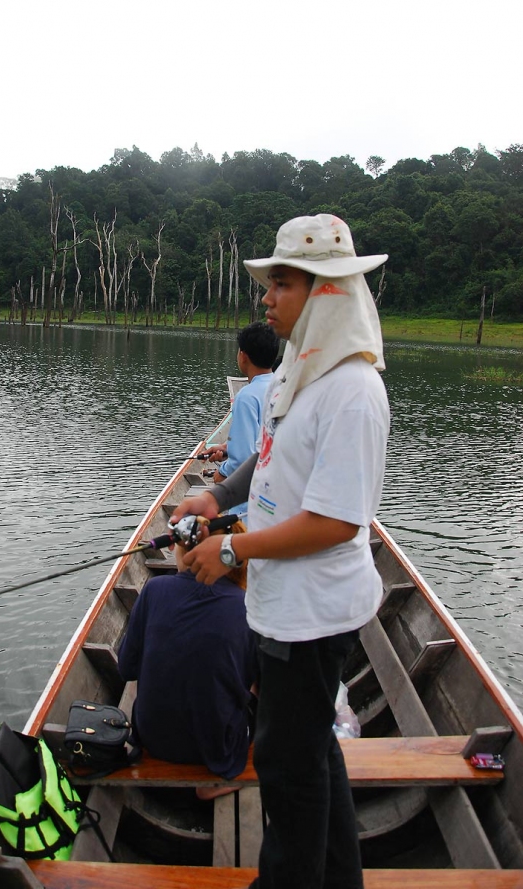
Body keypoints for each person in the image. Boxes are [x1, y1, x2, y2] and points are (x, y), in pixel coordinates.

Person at [171, 214, 390, 889]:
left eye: (281, 283)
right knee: (311, 755)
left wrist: (232, 554)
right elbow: (264, 463)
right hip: (280, 601)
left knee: (288, 779)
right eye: (268, 284)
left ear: (326, 292)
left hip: (312, 614)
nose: (266, 299)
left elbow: (334, 524)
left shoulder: (351, 391)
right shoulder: (301, 366)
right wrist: (214, 501)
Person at [117, 535, 257, 789]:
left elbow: (125, 668)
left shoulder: (153, 590)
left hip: (152, 739)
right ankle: (220, 782)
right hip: (219, 749)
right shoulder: (248, 605)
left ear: (183, 552)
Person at [204, 322, 279, 521]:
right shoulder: (282, 387)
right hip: (274, 493)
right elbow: (265, 442)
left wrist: (222, 473)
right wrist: (227, 448)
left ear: (243, 356)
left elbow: (244, 456)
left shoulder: (246, 397)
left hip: (249, 504)